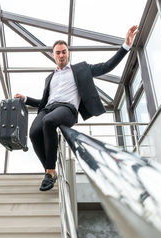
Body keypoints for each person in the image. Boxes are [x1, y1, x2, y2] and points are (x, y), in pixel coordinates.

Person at [15, 25, 139, 191]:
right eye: (58, 52)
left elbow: (107, 66)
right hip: (48, 108)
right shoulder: (49, 78)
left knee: (49, 122)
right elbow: (44, 102)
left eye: (64, 51)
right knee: (34, 132)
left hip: (67, 109)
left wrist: (126, 46)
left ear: (68, 53)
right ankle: (50, 170)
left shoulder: (81, 69)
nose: (61, 55)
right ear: (53, 55)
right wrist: (26, 99)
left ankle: (50, 172)